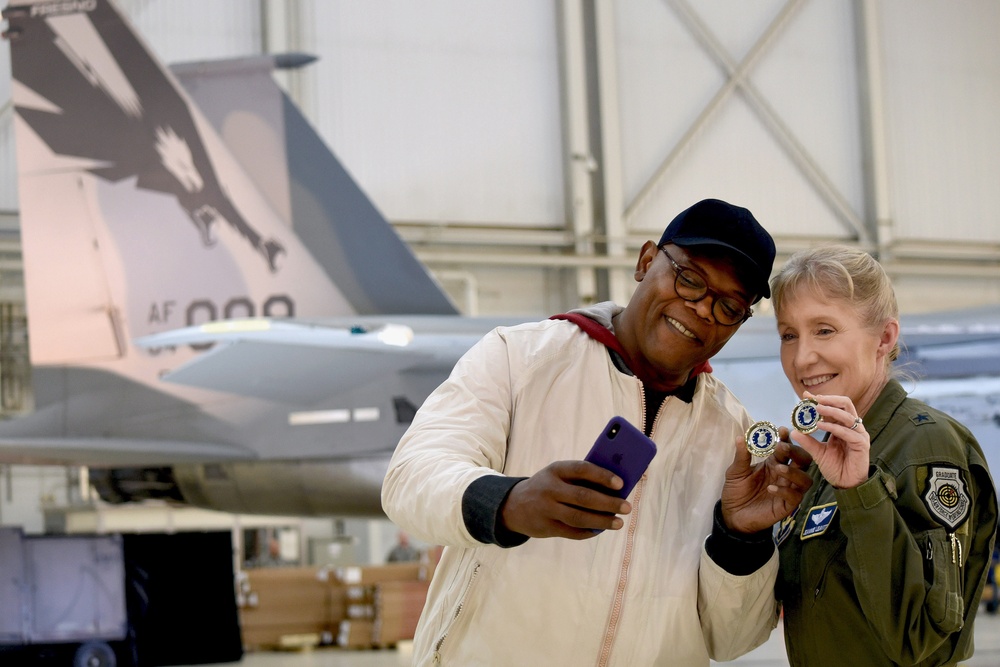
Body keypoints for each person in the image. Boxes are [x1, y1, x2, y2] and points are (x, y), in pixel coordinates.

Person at [382, 198, 813, 665]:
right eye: (689, 279)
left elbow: (732, 641)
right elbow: (410, 479)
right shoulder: (520, 359)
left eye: (729, 306)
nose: (704, 310)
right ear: (646, 261)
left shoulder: (734, 439)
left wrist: (740, 539)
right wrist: (508, 503)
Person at [770, 245, 998, 666]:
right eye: (788, 335)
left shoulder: (926, 447)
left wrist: (860, 493)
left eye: (824, 330)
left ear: (885, 338)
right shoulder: (826, 455)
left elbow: (920, 639)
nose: (801, 358)